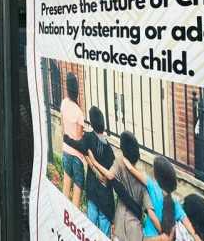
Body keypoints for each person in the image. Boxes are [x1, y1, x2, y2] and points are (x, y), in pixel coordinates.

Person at [87, 131, 160, 241]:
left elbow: (107, 177)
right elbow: (150, 212)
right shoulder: (143, 179)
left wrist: (93, 162)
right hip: (134, 230)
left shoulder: (119, 162)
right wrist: (164, 233)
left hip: (119, 224)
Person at [121, 156, 203, 241]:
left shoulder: (152, 186)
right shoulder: (175, 203)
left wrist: (123, 158)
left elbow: (131, 169)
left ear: (157, 176)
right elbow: (191, 229)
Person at [64, 106, 115, 236]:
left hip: (92, 191)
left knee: (90, 227)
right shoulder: (109, 149)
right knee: (104, 232)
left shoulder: (88, 138)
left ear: (92, 123)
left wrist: (66, 138)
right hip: (105, 197)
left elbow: (78, 145)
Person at [60, 72, 85, 207]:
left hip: (65, 151)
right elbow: (79, 138)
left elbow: (63, 126)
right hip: (76, 156)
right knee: (76, 193)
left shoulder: (64, 103)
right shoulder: (79, 112)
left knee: (65, 187)